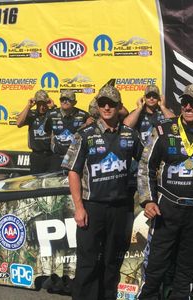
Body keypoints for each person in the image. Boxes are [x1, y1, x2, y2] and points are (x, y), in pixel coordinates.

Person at [62, 85, 142, 300]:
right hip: (92, 207)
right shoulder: (84, 135)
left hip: (120, 209)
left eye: (112, 104)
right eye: (103, 103)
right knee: (88, 262)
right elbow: (73, 172)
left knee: (111, 262)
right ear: (97, 106)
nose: (107, 107)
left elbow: (147, 163)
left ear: (119, 107)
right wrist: (79, 207)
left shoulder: (130, 135)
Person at [137, 83, 193, 299]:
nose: (188, 107)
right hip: (166, 208)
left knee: (186, 269)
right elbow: (145, 166)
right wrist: (148, 201)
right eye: (185, 102)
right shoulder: (163, 130)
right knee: (155, 266)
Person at [45, 90, 90, 172]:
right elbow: (47, 132)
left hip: (75, 157)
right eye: (62, 99)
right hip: (57, 157)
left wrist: (85, 125)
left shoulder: (83, 115)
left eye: (68, 99)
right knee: (54, 181)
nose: (65, 101)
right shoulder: (51, 115)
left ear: (75, 102)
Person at [16, 90, 55, 174]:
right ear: (36, 104)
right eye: (39, 104)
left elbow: (61, 119)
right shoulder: (31, 114)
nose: (42, 107)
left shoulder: (52, 113)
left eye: (44, 104)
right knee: (36, 182)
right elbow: (18, 123)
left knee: (52, 182)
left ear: (47, 102)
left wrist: (54, 107)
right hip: (36, 155)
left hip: (51, 155)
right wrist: (28, 106)